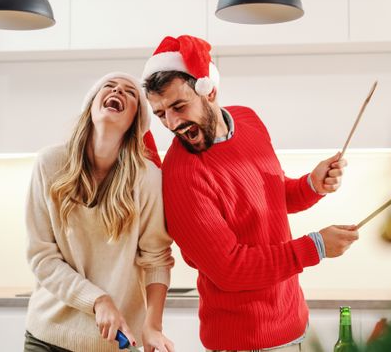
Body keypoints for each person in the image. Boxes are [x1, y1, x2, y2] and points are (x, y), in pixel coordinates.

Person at [141, 35, 360, 351]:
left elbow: (273, 196)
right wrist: (317, 247)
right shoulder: (182, 175)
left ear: (210, 91)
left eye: (178, 106)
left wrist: (312, 185)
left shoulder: (248, 119)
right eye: (161, 114)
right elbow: (230, 269)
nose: (172, 122)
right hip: (243, 343)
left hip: (294, 326)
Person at [24, 72, 175, 352]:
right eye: (109, 86)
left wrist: (153, 326)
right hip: (47, 337)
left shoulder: (148, 178)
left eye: (130, 92)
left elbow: (157, 260)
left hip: (113, 345)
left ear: (135, 122)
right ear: (91, 105)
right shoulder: (49, 163)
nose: (118, 90)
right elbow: (42, 257)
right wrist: (98, 300)